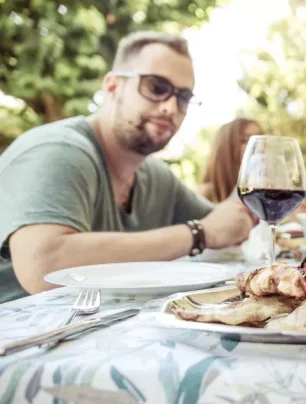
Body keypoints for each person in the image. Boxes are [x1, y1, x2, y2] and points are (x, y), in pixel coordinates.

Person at [0, 31, 256, 303]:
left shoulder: (155, 177)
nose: (170, 107)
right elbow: (42, 264)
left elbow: (219, 224)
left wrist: (243, 201)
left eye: (182, 98)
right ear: (112, 86)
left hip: (94, 332)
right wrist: (197, 235)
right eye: (156, 87)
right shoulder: (59, 150)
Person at [198, 117, 264, 203]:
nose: (260, 147)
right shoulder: (205, 193)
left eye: (261, 140)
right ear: (227, 149)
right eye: (246, 140)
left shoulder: (261, 191)